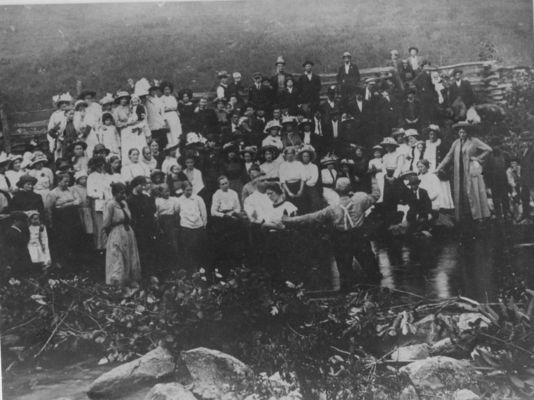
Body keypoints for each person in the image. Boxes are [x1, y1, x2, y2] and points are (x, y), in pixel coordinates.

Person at [282, 177, 382, 289]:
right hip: (359, 236)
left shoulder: (332, 208)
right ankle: (377, 291)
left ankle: (348, 293)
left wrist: (290, 220)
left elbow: (311, 217)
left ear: (336, 190)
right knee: (371, 268)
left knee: (345, 273)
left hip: (341, 239)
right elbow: (376, 195)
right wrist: (373, 178)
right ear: (350, 189)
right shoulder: (360, 201)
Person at [435, 122, 492, 222]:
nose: (462, 134)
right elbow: (449, 156)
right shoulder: (456, 143)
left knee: (473, 190)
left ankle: (478, 215)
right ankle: (463, 214)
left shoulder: (474, 141)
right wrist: (438, 168)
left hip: (470, 169)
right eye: (460, 132)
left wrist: (477, 158)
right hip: (459, 170)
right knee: (461, 192)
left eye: (464, 132)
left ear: (467, 133)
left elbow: (488, 149)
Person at [103, 182, 141, 286]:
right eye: (121, 193)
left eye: (124, 193)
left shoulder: (124, 203)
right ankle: (117, 282)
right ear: (115, 193)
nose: (124, 195)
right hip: (117, 233)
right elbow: (106, 223)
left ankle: (130, 279)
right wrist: (112, 235)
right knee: (118, 256)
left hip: (128, 232)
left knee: (130, 255)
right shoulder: (110, 204)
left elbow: (129, 217)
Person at [45, 172, 83, 269]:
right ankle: (64, 264)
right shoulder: (53, 193)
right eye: (65, 181)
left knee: (74, 240)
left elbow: (79, 201)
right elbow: (50, 209)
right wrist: (51, 223)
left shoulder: (71, 190)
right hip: (61, 221)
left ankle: (75, 263)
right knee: (63, 241)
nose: (67, 184)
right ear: (58, 181)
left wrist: (64, 205)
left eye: (68, 182)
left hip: (73, 219)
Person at [176, 181, 208, 272]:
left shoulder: (198, 199)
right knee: (189, 249)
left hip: (198, 227)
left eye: (190, 190)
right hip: (186, 228)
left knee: (199, 248)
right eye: (187, 190)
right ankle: (192, 269)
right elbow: (177, 212)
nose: (189, 192)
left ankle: (201, 269)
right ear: (182, 190)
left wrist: (204, 224)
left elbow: (203, 212)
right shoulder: (179, 200)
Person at [87, 156, 111, 252]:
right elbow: (90, 192)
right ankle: (100, 247)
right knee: (100, 226)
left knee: (107, 224)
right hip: (98, 203)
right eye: (99, 165)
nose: (101, 167)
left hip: (108, 202)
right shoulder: (92, 176)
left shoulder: (106, 176)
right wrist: (101, 195)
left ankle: (108, 245)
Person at [3, 211, 32, 277]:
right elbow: (10, 250)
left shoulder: (18, 232)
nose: (25, 223)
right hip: (17, 262)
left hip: (20, 261)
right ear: (15, 221)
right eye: (23, 221)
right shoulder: (11, 233)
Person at [279, 147, 306, 211]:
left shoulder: (299, 164)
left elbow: (303, 178)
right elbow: (282, 181)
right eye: (288, 153)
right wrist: (288, 192)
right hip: (288, 187)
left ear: (294, 155)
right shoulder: (283, 165)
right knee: (290, 205)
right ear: (285, 155)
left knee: (301, 205)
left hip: (298, 185)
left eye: (292, 153)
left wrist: (301, 190)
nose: (290, 155)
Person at [72, 169, 94, 237]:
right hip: (80, 209)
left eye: (85, 178)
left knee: (89, 227)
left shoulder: (88, 187)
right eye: (82, 179)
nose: (84, 180)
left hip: (88, 209)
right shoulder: (74, 188)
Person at [160, 81, 183, 146]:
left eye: (168, 89)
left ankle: (179, 146)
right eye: (165, 89)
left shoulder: (173, 97)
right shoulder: (162, 98)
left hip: (175, 116)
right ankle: (173, 146)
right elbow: (162, 110)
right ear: (163, 90)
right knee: (171, 133)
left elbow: (176, 107)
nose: (167, 91)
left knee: (177, 131)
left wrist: (171, 108)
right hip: (168, 117)